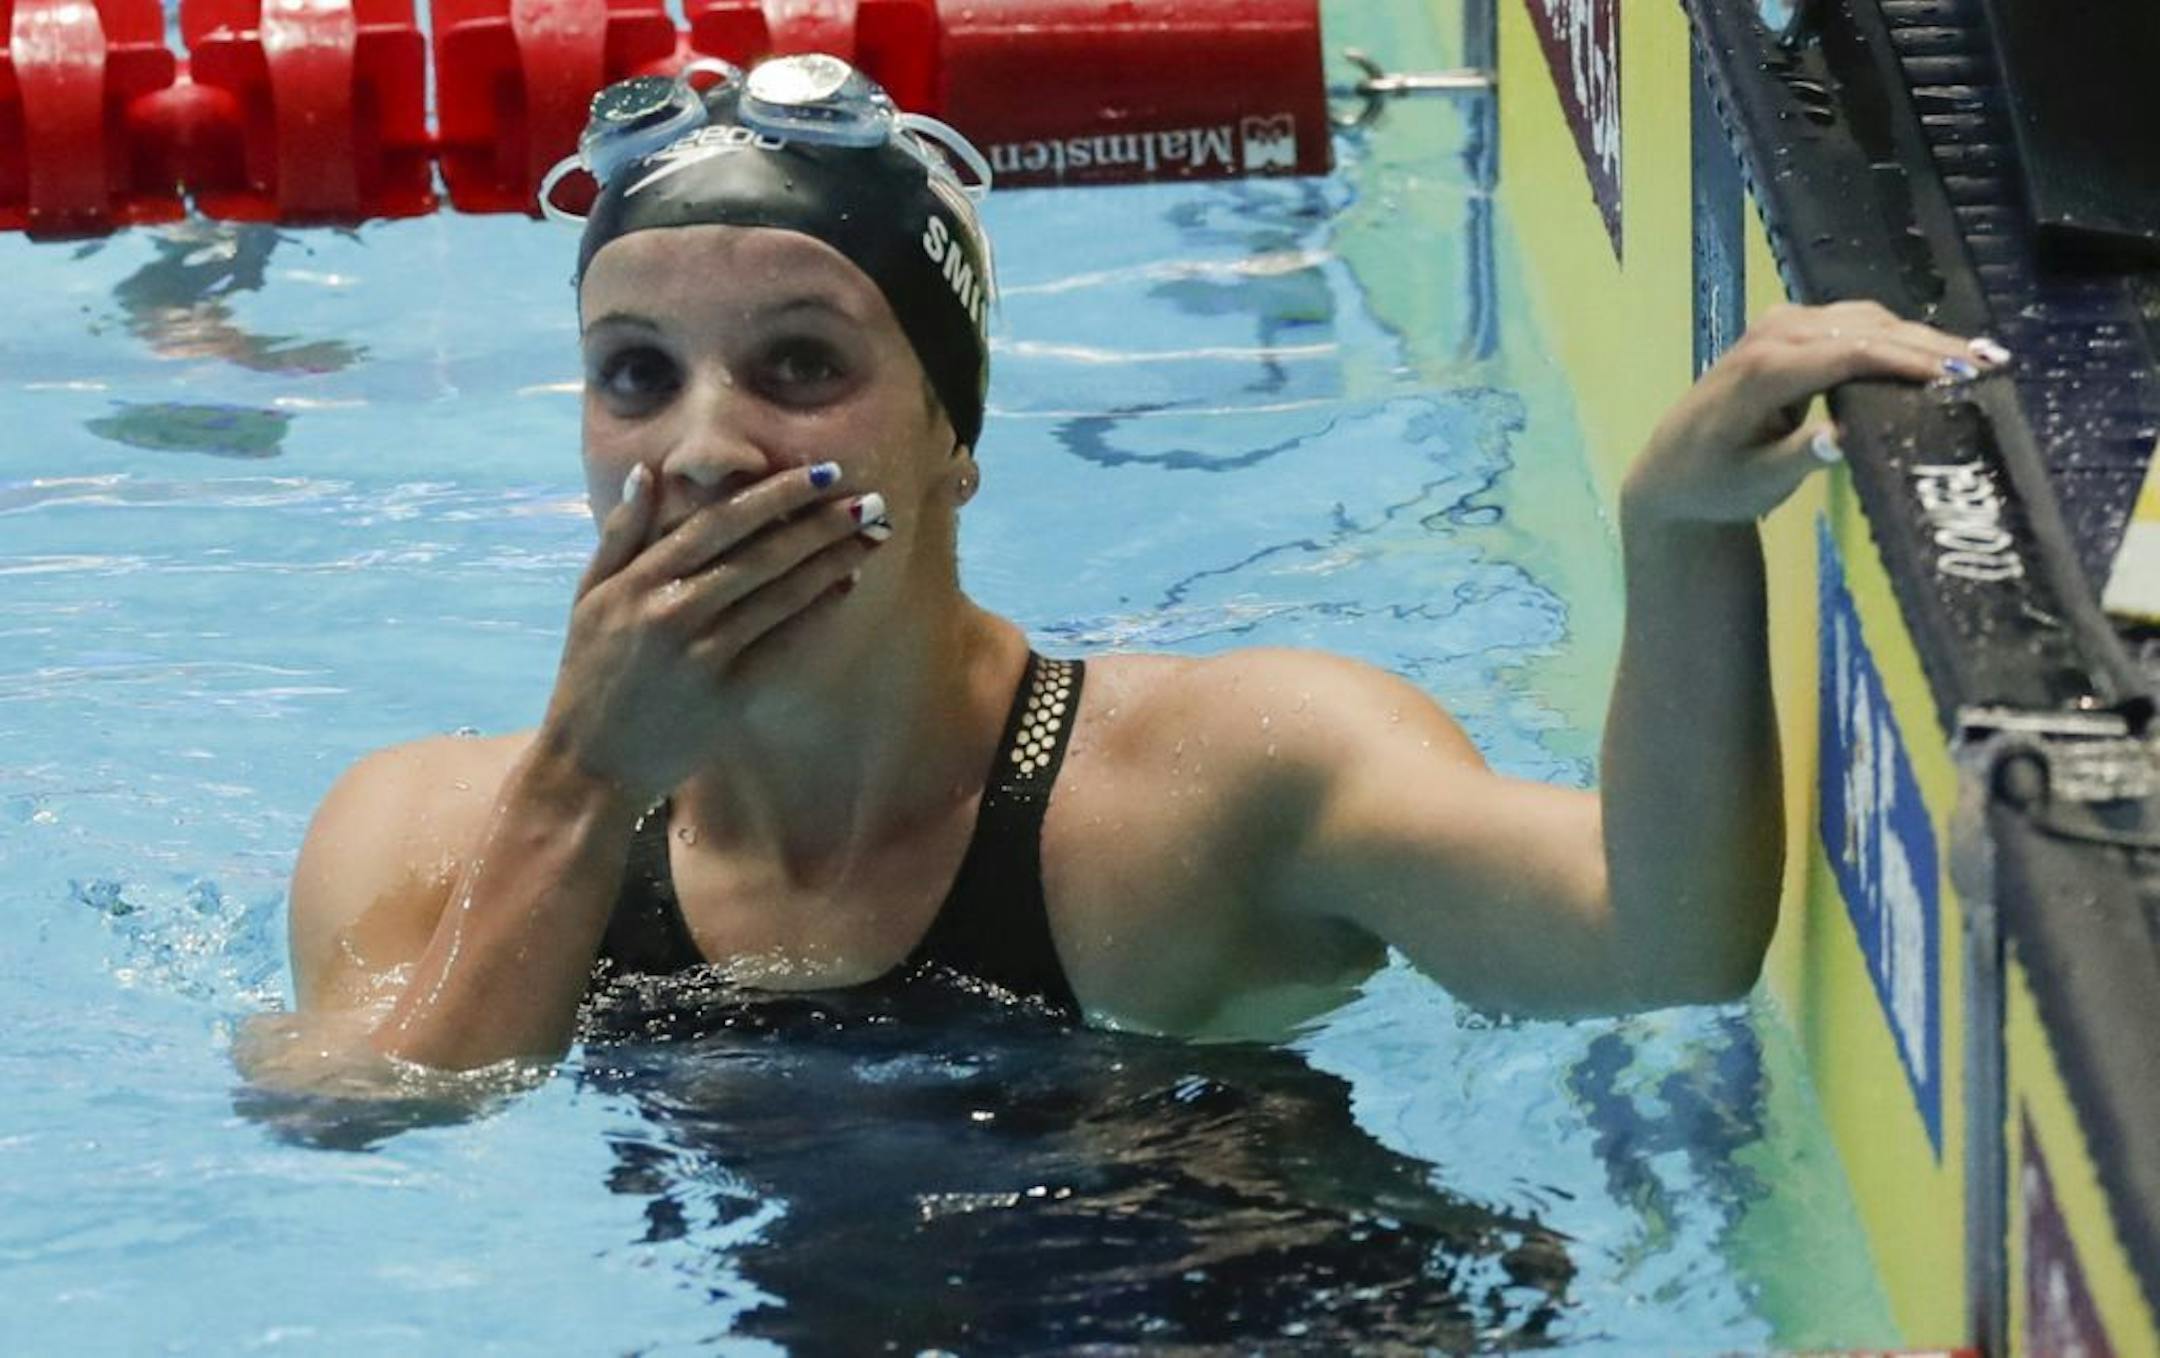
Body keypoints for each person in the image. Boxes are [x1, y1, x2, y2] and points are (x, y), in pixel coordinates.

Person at [242, 55, 2007, 1086]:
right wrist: (580, 781)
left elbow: (1656, 937)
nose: (704, 449)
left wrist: (1676, 535)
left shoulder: (1218, 784)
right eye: (637, 374)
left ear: (955, 435)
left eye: (799, 365)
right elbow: (363, 1124)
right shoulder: (424, 834)